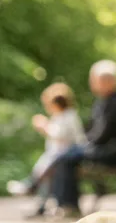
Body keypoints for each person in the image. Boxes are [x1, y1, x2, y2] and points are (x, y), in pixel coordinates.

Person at [44, 61, 116, 219]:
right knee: (65, 155)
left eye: (94, 80)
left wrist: (83, 146)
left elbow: (103, 135)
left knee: (67, 157)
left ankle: (68, 205)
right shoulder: (104, 102)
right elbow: (93, 132)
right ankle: (64, 203)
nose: (92, 84)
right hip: (106, 149)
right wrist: (82, 145)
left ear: (108, 81)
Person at [6, 82, 86, 213]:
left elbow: (61, 135)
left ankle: (30, 186)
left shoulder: (69, 116)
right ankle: (36, 196)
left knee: (46, 170)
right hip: (56, 154)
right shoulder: (59, 117)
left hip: (68, 155)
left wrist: (44, 126)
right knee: (45, 172)